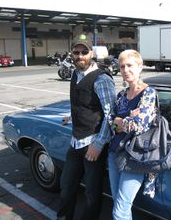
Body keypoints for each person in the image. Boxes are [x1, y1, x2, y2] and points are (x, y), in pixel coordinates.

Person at [57, 34, 116, 220]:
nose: (80, 55)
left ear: (91, 53)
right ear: (72, 54)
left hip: (92, 143)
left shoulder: (102, 79)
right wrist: (72, 116)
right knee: (66, 186)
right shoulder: (75, 73)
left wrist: (99, 144)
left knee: (92, 193)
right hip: (75, 142)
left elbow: (110, 115)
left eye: (84, 51)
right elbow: (83, 103)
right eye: (76, 52)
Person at [108, 49, 157, 220]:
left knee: (120, 209)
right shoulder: (122, 95)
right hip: (115, 152)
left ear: (140, 67)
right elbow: (111, 122)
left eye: (130, 65)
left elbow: (140, 126)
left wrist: (122, 122)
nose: (126, 70)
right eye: (122, 67)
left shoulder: (148, 93)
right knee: (118, 203)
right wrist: (124, 121)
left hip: (134, 156)